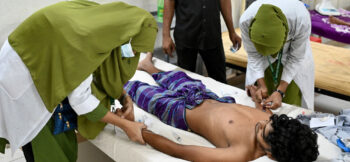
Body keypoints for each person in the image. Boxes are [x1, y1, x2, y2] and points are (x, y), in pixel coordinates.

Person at [0, 0, 158, 162]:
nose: (132, 55)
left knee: (58, 144)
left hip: (39, 67)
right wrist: (126, 125)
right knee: (45, 148)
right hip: (28, 79)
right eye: (134, 49)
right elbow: (80, 99)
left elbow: (102, 66)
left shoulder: (106, 24)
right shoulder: (85, 38)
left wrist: (124, 97)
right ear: (127, 37)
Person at [123, 53, 319, 162]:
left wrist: (140, 131)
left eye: (261, 132)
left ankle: (116, 82)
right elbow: (261, 110)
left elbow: (178, 150)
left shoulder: (241, 153)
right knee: (177, 78)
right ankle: (148, 66)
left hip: (180, 111)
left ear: (270, 154)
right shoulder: (271, 124)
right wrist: (255, 96)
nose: (260, 124)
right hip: (207, 97)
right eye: (266, 123)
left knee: (139, 91)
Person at [239, 0, 314, 110]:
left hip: (292, 57)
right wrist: (261, 85)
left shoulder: (300, 19)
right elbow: (254, 56)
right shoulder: (246, 21)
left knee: (290, 107)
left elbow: (295, 58)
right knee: (262, 101)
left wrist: (280, 91)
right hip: (264, 61)